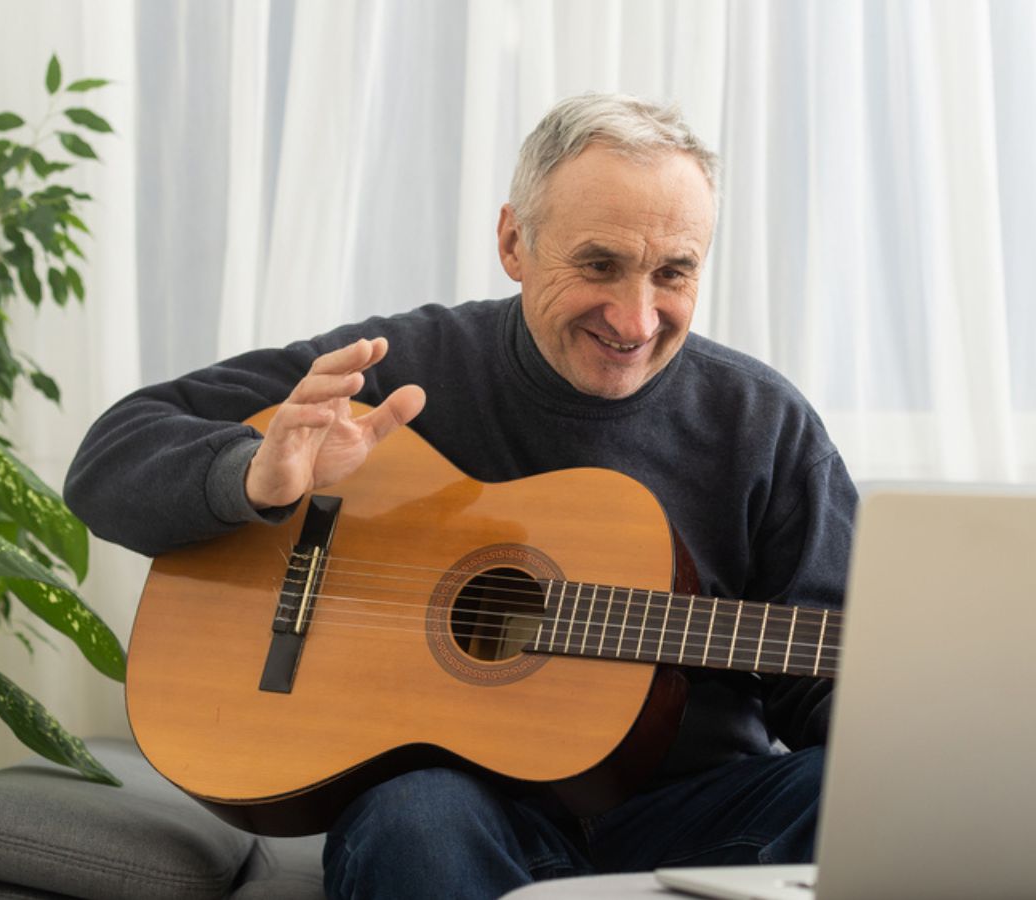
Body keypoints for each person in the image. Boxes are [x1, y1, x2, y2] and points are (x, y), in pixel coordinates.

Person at [65, 92, 858, 900]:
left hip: (698, 815)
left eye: (673, 273)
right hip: (460, 815)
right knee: (416, 820)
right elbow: (111, 455)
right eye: (599, 264)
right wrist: (253, 477)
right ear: (515, 242)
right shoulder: (407, 368)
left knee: (862, 794)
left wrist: (903, 705)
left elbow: (826, 682)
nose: (636, 318)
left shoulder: (763, 424)